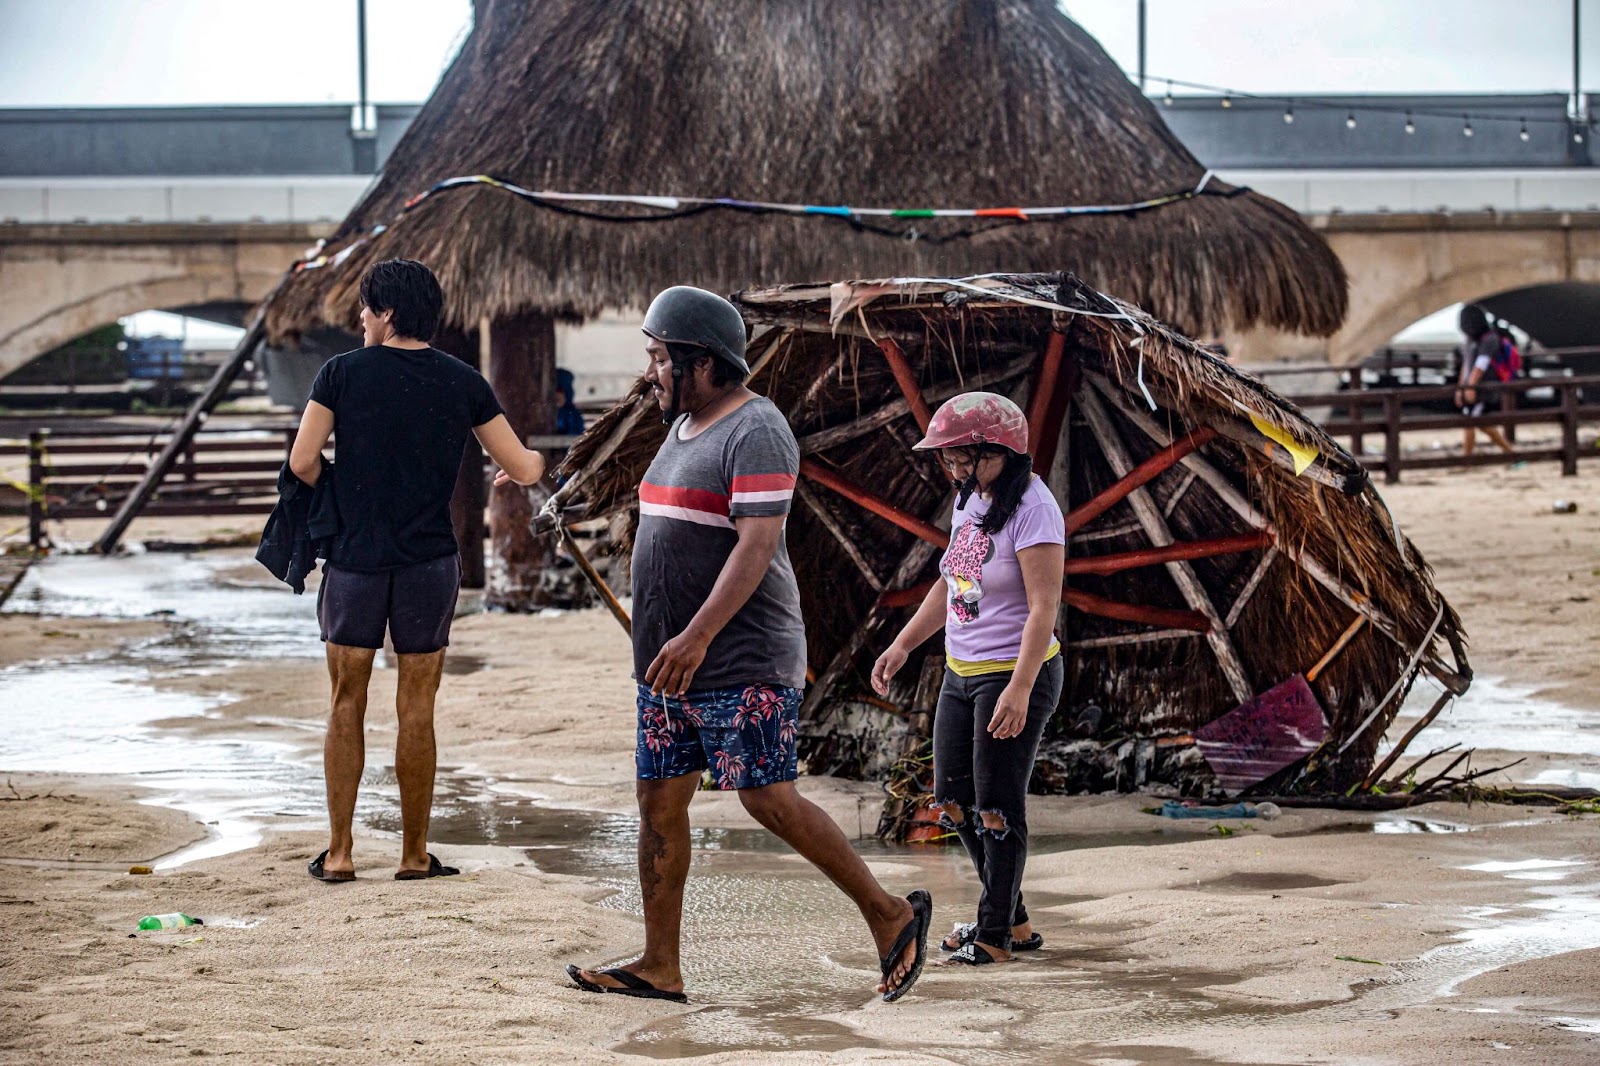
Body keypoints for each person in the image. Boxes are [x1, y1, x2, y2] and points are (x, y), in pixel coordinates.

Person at [566, 286, 931, 1003]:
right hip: (669, 668)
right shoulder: (681, 429)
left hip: (740, 658)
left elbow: (757, 545)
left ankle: (890, 915)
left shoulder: (756, 429)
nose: (649, 373)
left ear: (702, 363)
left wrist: (698, 635)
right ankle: (659, 966)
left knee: (767, 797)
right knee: (657, 802)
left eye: (659, 359)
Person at [288, 258, 546, 882]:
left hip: (355, 559)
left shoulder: (340, 374)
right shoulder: (463, 382)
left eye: (366, 308)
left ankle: (343, 853)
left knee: (346, 700)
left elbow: (301, 462)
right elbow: (526, 468)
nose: (361, 318)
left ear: (388, 313)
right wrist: (529, 460)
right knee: (417, 707)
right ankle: (413, 855)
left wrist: (344, 492)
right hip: (430, 560)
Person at [871, 392, 1065, 966]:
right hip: (961, 673)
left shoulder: (1034, 508)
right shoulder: (969, 501)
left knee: (998, 809)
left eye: (963, 458)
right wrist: (903, 644)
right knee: (954, 803)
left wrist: (1022, 687)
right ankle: (1015, 921)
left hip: (1014, 674)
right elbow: (952, 582)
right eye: (948, 459)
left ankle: (994, 938)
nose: (954, 470)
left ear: (999, 451)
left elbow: (1043, 607)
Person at [1454, 304, 1515, 458]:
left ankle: (1466, 459)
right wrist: (1461, 387)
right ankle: (1510, 454)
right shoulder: (1470, 340)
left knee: (1472, 422)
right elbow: (1466, 365)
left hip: (1483, 388)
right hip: (1471, 386)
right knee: (1482, 423)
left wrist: (1470, 387)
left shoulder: (1489, 339)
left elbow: (1481, 365)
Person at [555, 367, 585, 435]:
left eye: (562, 391)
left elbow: (577, 436)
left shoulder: (573, 414)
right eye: (557, 390)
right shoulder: (542, 413)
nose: (558, 395)